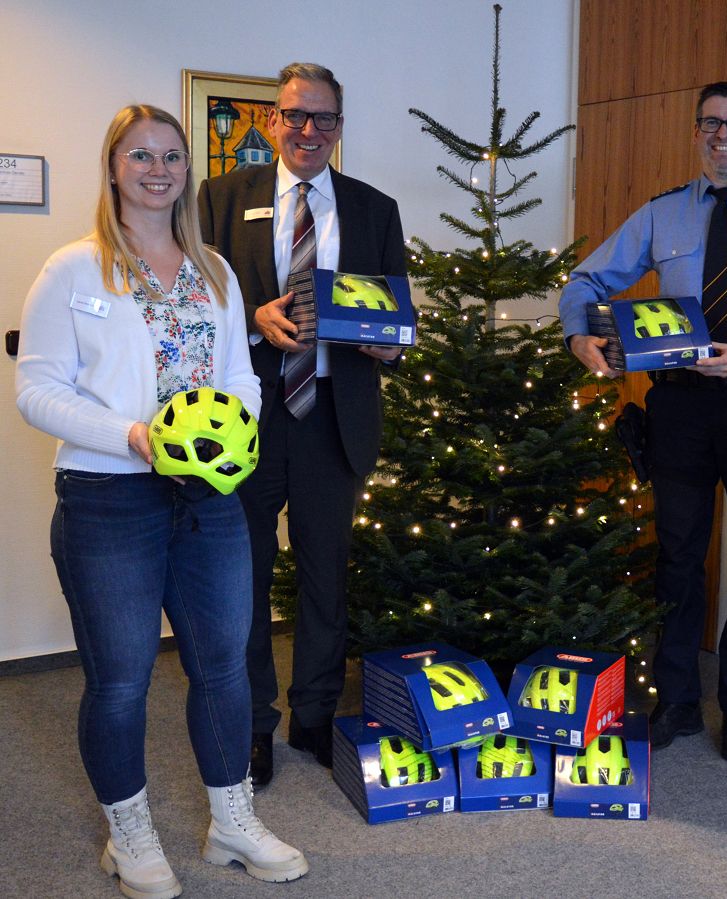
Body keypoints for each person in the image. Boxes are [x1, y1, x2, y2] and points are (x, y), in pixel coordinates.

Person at [15, 105, 308, 899]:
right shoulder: (74, 269)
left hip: (208, 499)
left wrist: (235, 433)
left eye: (172, 156)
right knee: (121, 679)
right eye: (140, 155)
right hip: (109, 500)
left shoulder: (212, 268)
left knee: (224, 666)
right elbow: (36, 391)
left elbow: (241, 378)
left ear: (188, 170)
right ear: (113, 167)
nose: (158, 169)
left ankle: (231, 822)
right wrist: (134, 435)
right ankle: (129, 833)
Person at [559, 81, 727, 762]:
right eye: (711, 123)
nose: (722, 136)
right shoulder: (660, 215)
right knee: (678, 558)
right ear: (695, 131)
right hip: (678, 407)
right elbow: (584, 282)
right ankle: (677, 700)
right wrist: (579, 337)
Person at [198, 62, 407, 787]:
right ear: (272, 122)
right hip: (248, 420)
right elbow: (198, 304)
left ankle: (314, 713)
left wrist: (388, 342)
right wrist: (250, 317)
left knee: (325, 577)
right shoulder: (222, 198)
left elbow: (394, 318)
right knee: (244, 579)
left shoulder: (374, 208)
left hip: (333, 418)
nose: (308, 130)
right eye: (295, 115)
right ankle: (255, 724)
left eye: (323, 119)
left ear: (340, 128)